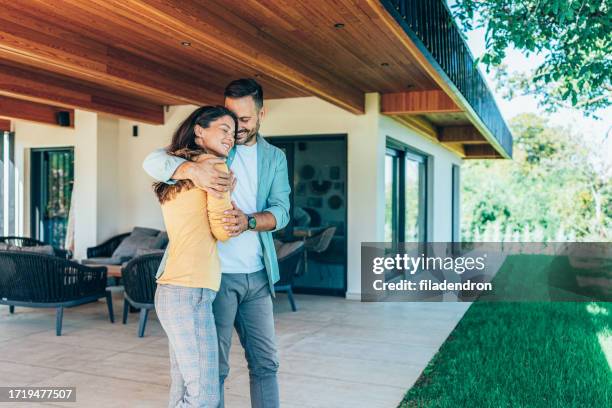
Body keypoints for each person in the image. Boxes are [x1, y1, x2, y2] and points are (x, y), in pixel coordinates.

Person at [143, 78, 290, 408]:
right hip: (215, 278)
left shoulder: (275, 158)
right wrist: (191, 170)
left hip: (258, 277)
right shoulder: (214, 148)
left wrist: (249, 220)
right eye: (231, 120)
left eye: (245, 121)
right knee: (213, 372)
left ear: (262, 113)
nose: (237, 130)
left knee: (266, 365)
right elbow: (153, 161)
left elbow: (282, 212)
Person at [153, 105, 236, 408]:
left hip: (169, 290)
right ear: (200, 130)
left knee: (183, 384)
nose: (231, 137)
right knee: (204, 391)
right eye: (224, 130)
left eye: (234, 133)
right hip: (191, 288)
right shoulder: (215, 168)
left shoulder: (176, 168)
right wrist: (230, 201)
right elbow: (223, 230)